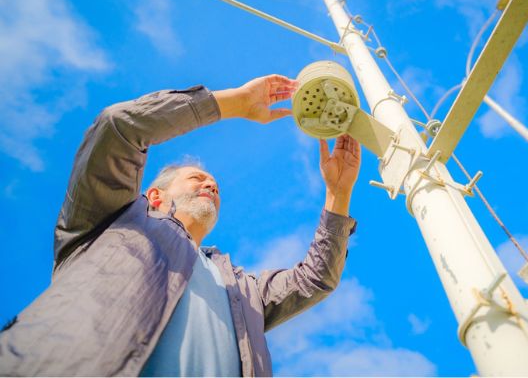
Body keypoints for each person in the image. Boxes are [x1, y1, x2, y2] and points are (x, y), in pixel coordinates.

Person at [0, 74, 361, 376]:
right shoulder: (110, 221)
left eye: (215, 186)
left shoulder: (241, 288)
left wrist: (338, 194)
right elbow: (118, 126)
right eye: (197, 178)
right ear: (155, 197)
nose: (211, 186)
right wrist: (236, 103)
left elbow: (315, 279)